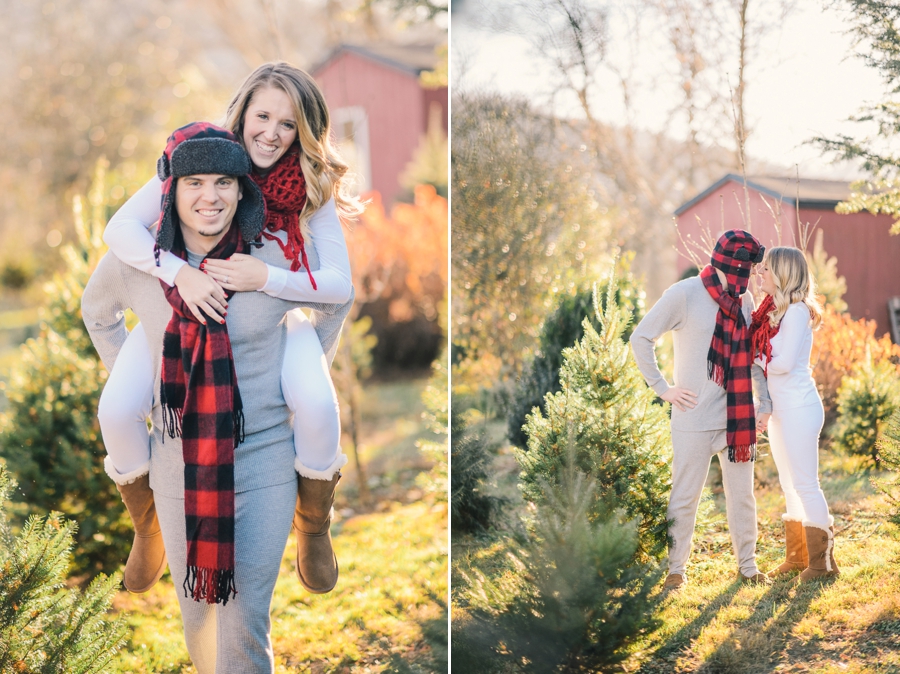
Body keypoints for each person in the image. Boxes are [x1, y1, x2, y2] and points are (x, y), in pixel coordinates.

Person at [95, 62, 363, 596]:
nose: (271, 133)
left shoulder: (312, 187)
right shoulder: (207, 154)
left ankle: (313, 524)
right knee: (116, 410)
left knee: (317, 405)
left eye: (288, 125)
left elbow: (340, 285)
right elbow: (118, 228)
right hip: (178, 313)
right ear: (242, 114)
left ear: (304, 132)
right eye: (262, 116)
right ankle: (146, 526)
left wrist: (268, 276)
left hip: (278, 318)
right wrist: (180, 273)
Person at [83, 122, 336, 672]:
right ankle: (144, 526)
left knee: (243, 625)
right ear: (170, 190)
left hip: (265, 465)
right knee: (199, 623)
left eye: (224, 181)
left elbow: (333, 299)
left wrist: (309, 367)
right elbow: (96, 313)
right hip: (176, 470)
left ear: (243, 190)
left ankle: (314, 525)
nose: (209, 196)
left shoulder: (266, 257)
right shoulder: (138, 262)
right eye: (194, 181)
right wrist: (150, 386)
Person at [630, 230, 770, 590]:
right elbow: (641, 337)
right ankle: (676, 569)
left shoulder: (746, 298)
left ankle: (748, 566)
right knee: (684, 496)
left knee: (743, 497)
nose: (749, 279)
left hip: (736, 419)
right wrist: (663, 389)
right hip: (692, 418)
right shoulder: (684, 294)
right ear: (728, 266)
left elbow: (753, 357)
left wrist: (764, 402)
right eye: (746, 270)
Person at [750, 246, 839, 580]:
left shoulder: (797, 311)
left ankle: (824, 564)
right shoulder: (773, 310)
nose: (761, 275)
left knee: (805, 484)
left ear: (784, 274)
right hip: (781, 410)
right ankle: (799, 557)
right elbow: (776, 361)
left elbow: (784, 363)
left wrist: (754, 358)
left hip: (800, 407)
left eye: (767, 270)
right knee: (788, 485)